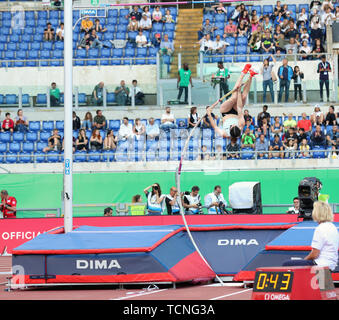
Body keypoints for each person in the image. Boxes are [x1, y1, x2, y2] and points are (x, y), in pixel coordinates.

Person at [283, 201, 338, 271]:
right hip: (331, 264)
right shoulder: (333, 227)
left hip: (320, 264)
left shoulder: (321, 228)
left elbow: (315, 254)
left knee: (286, 264)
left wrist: (305, 260)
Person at [206, 63, 258, 139]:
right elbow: (240, 108)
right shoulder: (241, 125)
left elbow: (215, 126)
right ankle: (251, 75)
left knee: (234, 97)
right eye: (235, 125)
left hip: (225, 112)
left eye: (232, 126)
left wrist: (209, 114)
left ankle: (243, 73)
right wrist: (239, 91)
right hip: (237, 112)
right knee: (243, 96)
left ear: (229, 130)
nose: (233, 124)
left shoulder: (224, 134)